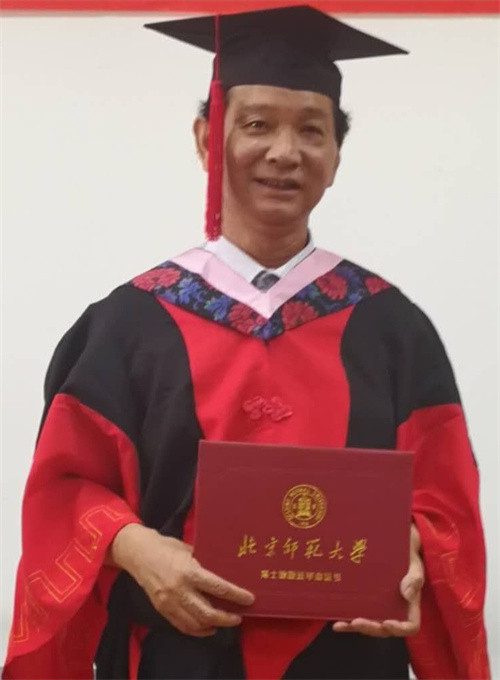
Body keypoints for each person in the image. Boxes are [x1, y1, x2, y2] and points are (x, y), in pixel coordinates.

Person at [2, 5, 490, 680]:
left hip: (347, 661)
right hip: (170, 658)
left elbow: (447, 503)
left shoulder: (393, 330)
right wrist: (137, 549)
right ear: (207, 138)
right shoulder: (128, 325)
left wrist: (409, 551)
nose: (285, 152)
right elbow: (63, 490)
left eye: (312, 130)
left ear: (336, 156)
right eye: (257, 124)